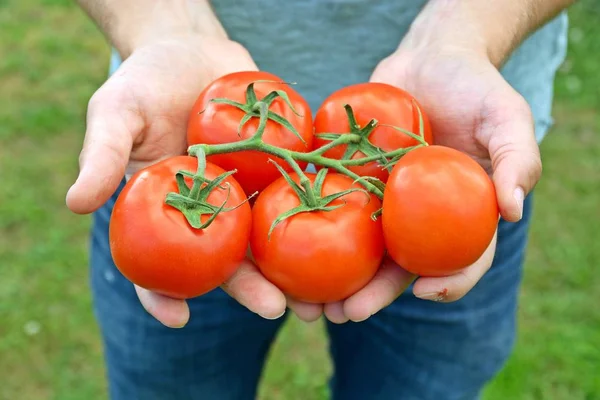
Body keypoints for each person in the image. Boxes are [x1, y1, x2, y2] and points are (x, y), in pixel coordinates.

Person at [67, 1, 573, 399]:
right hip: (165, 139)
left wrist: (470, 34)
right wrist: (162, 24)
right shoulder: (205, 180)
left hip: (460, 139)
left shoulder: (430, 174)